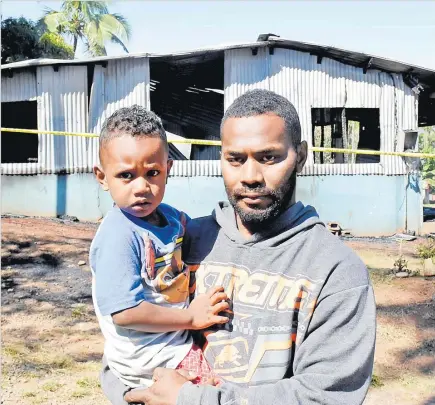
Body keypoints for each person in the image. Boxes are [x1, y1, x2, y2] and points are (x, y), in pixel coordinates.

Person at [124, 89, 376, 405]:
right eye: (235, 159)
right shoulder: (183, 242)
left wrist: (192, 400)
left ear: (301, 156)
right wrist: (133, 390)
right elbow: (127, 338)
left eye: (268, 157)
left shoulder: (336, 272)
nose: (251, 176)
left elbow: (323, 397)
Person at [89, 105, 230, 405]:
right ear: (102, 178)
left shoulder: (170, 218)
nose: (141, 187)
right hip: (150, 356)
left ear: (169, 168)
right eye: (126, 175)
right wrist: (191, 317)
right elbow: (126, 313)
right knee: (215, 394)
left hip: (170, 342)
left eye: (152, 173)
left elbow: (200, 233)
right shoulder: (119, 235)